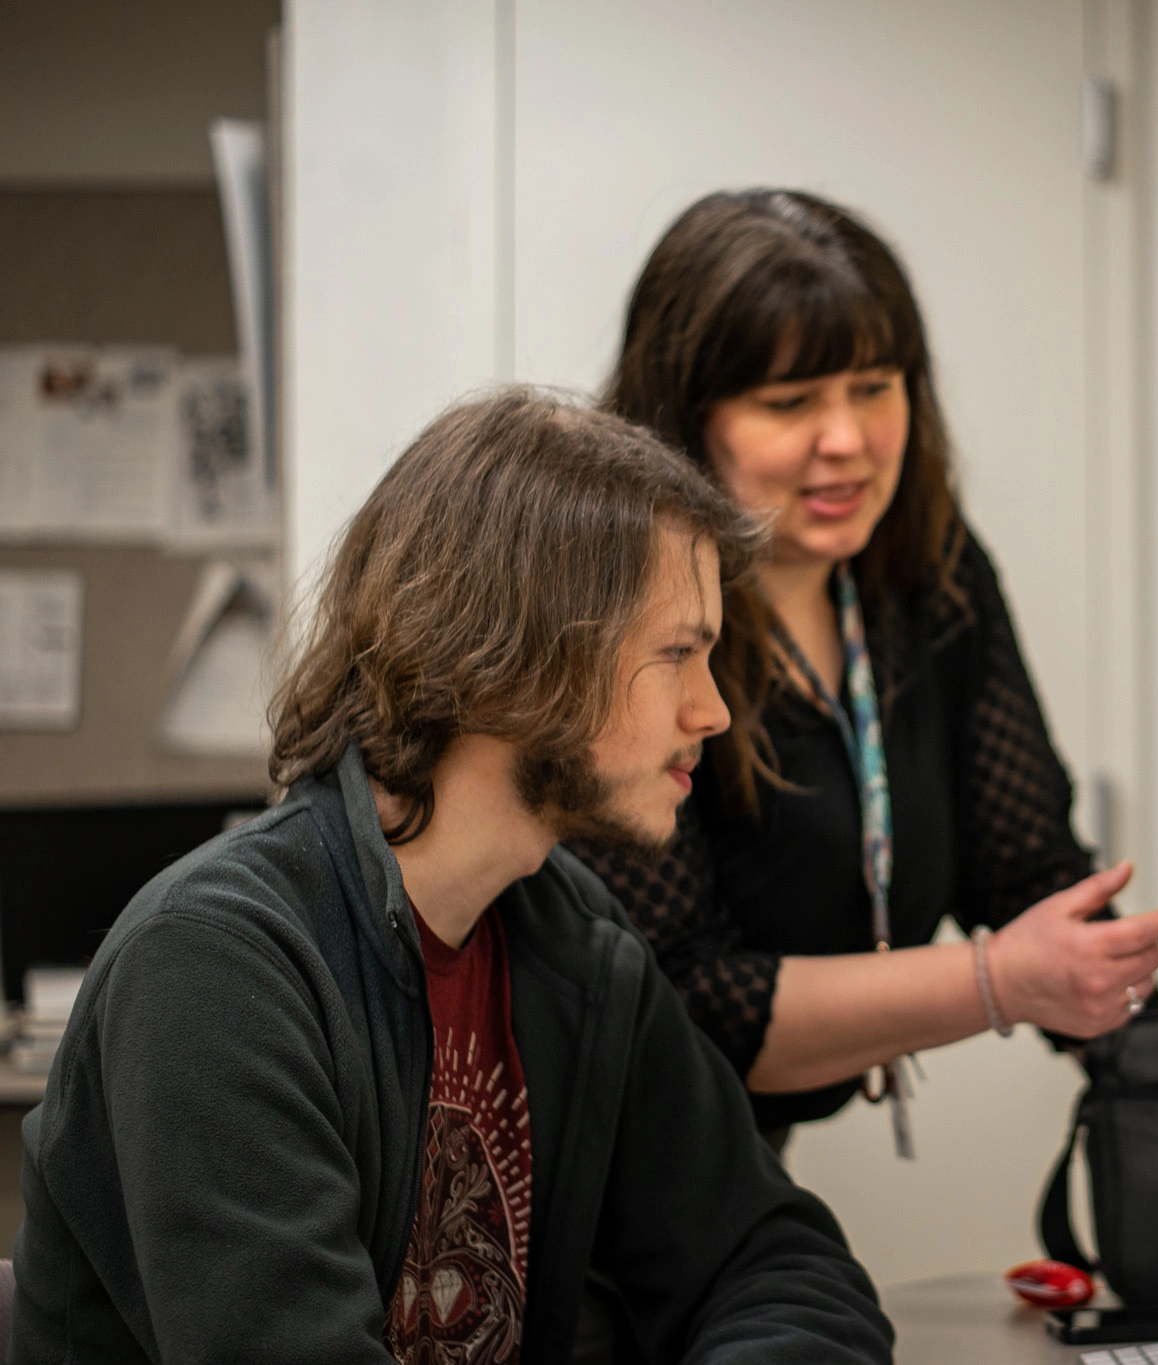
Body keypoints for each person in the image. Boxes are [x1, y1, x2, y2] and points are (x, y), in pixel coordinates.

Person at [9, 391, 894, 1363]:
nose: (713, 711)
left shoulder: (574, 944)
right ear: (517, 663)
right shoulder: (213, 968)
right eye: (676, 654)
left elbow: (778, 1260)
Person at [578, 189, 1158, 1149]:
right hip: (592, 1179)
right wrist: (997, 980)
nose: (848, 440)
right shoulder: (614, 612)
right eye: (790, 403)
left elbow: (1025, 869)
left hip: (739, 1161)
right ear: (687, 421)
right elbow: (683, 997)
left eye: (875, 386)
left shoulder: (928, 578)